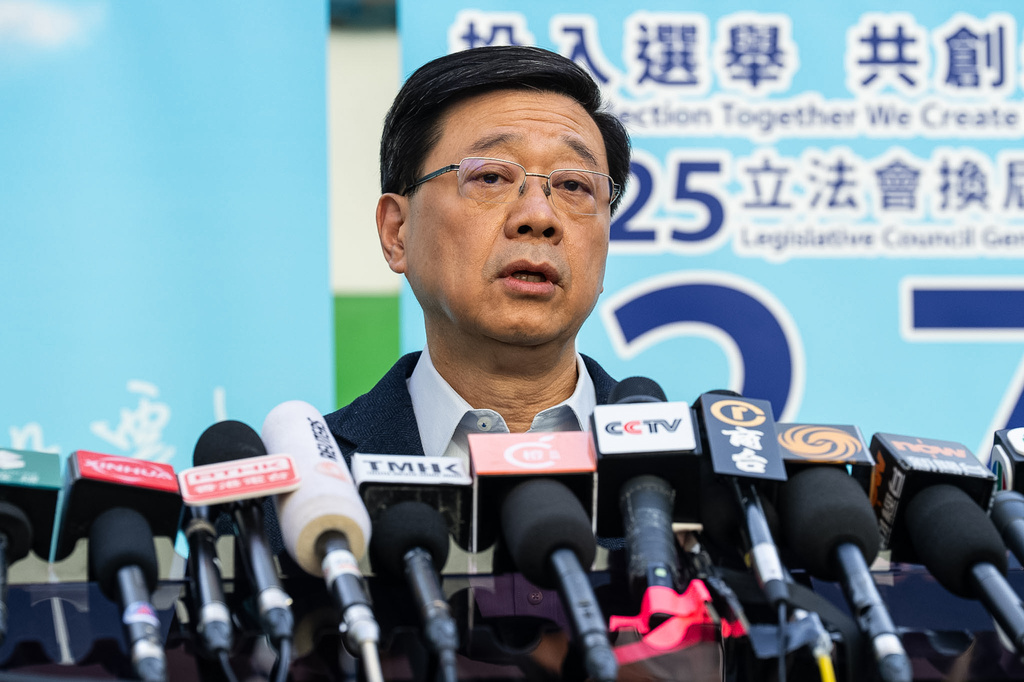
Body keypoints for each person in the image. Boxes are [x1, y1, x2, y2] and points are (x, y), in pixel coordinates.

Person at [325, 45, 631, 466]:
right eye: (490, 177)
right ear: (397, 232)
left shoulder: (705, 480)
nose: (539, 217)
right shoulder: (301, 485)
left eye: (573, 186)